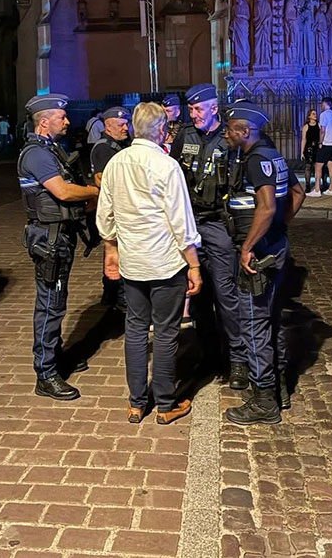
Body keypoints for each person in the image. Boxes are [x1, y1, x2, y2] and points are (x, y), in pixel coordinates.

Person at [97, 102, 202, 425]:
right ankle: (166, 404)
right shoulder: (166, 166)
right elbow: (181, 222)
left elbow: (105, 214)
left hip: (133, 263)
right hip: (165, 263)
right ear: (160, 130)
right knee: (167, 333)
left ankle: (136, 403)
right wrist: (194, 265)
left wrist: (111, 248)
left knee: (136, 329)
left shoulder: (116, 163)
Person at [222, 102, 305, 423]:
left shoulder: (256, 159)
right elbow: (298, 193)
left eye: (230, 130)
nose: (226, 135)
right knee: (272, 319)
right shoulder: (273, 155)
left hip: (258, 255)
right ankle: (280, 390)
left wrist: (249, 246)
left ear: (244, 131)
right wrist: (280, 229)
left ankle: (263, 400)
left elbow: (267, 207)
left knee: (254, 323)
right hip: (275, 247)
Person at [18, 94, 100, 401]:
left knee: (56, 302)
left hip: (58, 237)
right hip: (49, 240)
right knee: (50, 305)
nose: (66, 121)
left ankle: (54, 356)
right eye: (61, 117)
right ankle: (46, 373)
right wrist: (95, 190)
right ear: (43, 121)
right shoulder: (37, 154)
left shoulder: (50, 150)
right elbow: (62, 192)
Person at [170, 83, 248, 389]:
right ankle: (209, 353)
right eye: (190, 108)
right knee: (197, 294)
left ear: (214, 108)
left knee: (226, 295)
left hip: (217, 223)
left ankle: (238, 360)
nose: (194, 113)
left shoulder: (227, 137)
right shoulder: (184, 136)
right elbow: (171, 178)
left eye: (198, 108)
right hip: (190, 225)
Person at [90, 107, 131, 309]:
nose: (126, 127)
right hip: (115, 212)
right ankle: (119, 302)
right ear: (107, 125)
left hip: (120, 211)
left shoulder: (119, 145)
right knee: (117, 257)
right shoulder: (104, 148)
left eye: (127, 124)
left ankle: (111, 299)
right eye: (121, 124)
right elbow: (102, 180)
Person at [305, 96, 332, 198]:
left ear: (325, 103)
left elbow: (323, 130)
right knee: (330, 165)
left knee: (318, 166)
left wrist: (320, 142)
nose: (321, 106)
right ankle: (331, 188)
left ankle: (317, 189)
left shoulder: (324, 115)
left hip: (327, 143)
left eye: (322, 104)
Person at [299, 108, 319, 193]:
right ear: (309, 116)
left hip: (317, 147)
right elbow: (303, 139)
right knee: (308, 167)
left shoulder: (319, 125)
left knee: (318, 167)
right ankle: (307, 185)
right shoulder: (306, 126)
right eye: (313, 114)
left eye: (315, 114)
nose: (315, 115)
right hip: (309, 148)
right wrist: (302, 152)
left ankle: (321, 184)